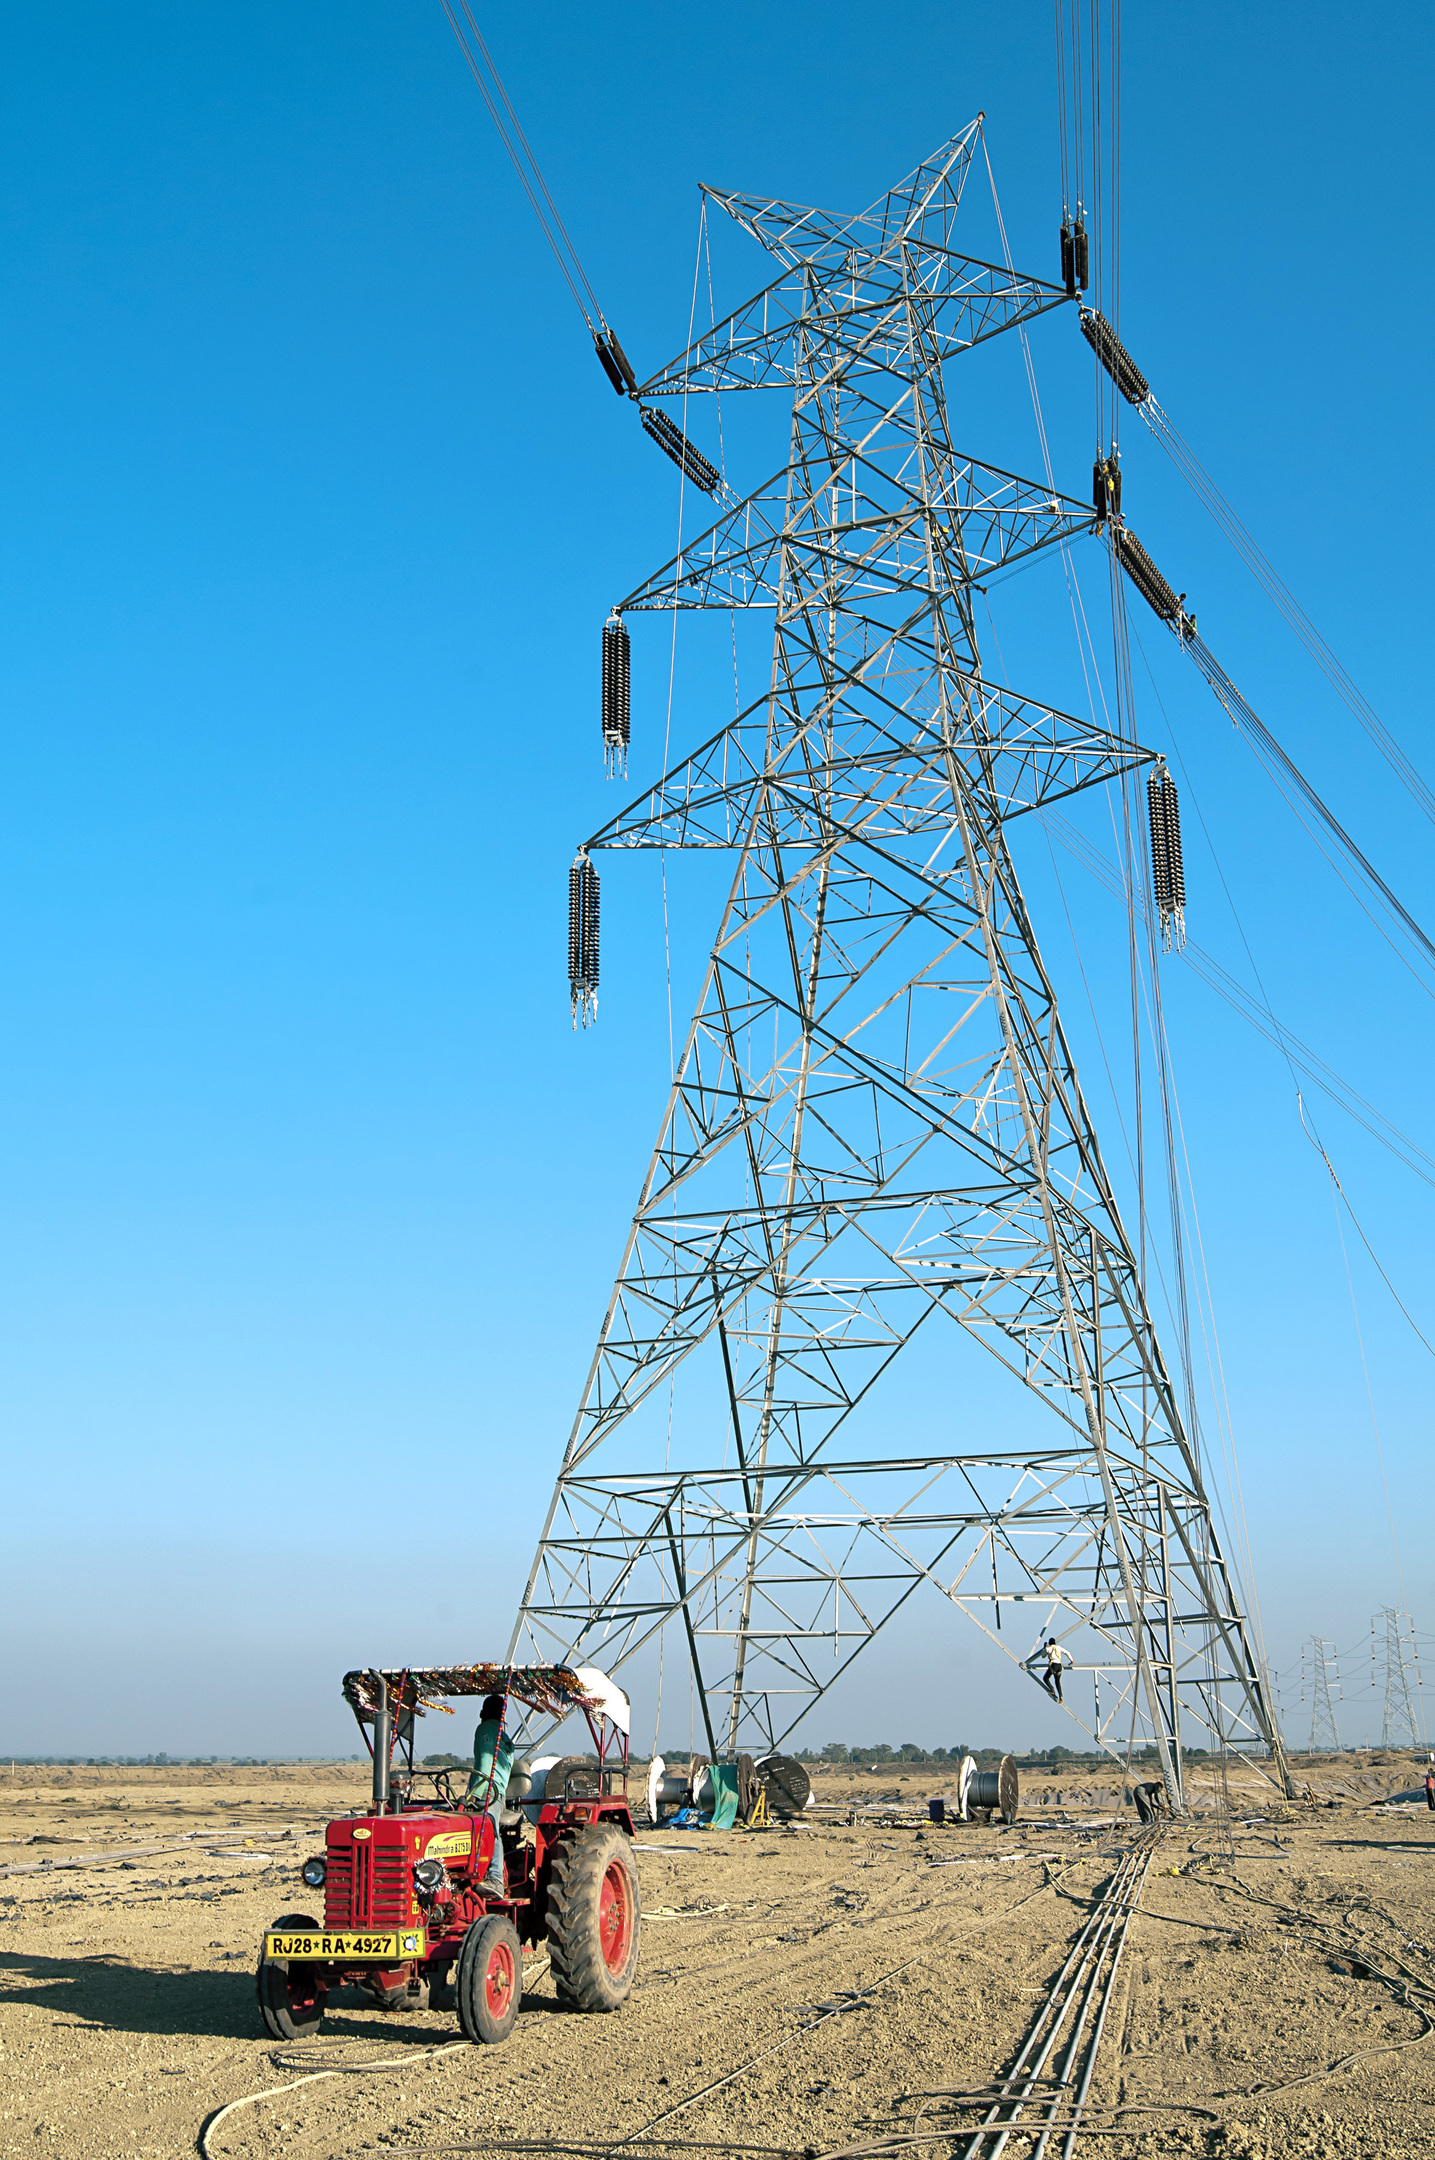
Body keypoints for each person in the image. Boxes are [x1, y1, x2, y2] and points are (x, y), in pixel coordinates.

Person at [465, 1693, 515, 1895]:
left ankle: (494, 1878)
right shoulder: (504, 1735)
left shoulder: (485, 1729)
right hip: (498, 1791)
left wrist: (474, 1794)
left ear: (482, 1713)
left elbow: (486, 1763)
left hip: (487, 1790)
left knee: (488, 1829)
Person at [1041, 1638, 1069, 1704]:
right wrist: (1071, 1660)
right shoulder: (1059, 1648)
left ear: (1050, 1643)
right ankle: (1061, 1696)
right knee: (1057, 1681)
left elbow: (1043, 1655)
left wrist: (1044, 1648)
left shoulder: (1049, 1648)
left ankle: (1052, 1689)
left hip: (1053, 1665)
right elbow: (1067, 1652)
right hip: (1059, 1666)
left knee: (1046, 1678)